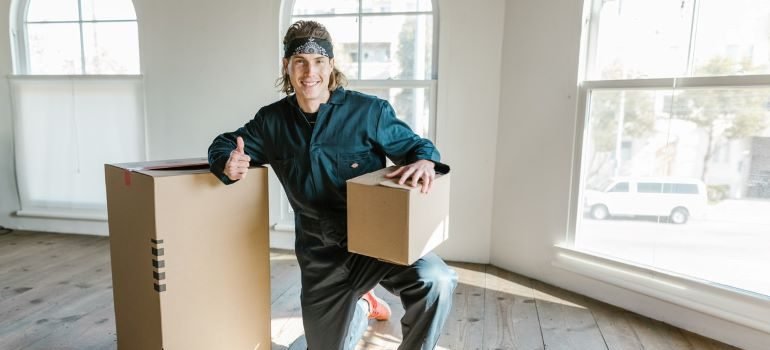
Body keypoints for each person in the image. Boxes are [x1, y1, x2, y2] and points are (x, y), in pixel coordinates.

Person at [208, 20, 457, 350]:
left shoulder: (369, 112)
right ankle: (362, 306)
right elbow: (226, 142)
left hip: (377, 243)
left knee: (437, 280)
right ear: (287, 66)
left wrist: (425, 160)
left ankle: (369, 309)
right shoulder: (272, 122)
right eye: (300, 61)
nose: (309, 72)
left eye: (319, 62)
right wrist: (226, 160)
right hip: (320, 257)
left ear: (331, 65)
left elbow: (416, 147)